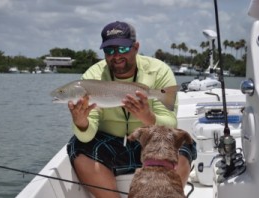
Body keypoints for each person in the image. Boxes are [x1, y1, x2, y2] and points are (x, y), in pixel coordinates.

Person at [67, 21, 196, 198]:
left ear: (135, 47)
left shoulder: (159, 70)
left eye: (122, 49)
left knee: (184, 146)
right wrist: (81, 123)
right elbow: (87, 135)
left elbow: (171, 123)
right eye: (109, 50)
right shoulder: (92, 76)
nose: (116, 55)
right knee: (77, 146)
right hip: (110, 142)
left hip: (150, 141)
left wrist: (148, 117)